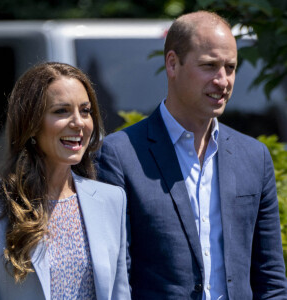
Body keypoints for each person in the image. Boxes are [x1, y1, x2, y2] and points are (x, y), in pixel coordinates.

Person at [96, 11, 287, 299]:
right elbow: (114, 278)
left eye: (230, 67)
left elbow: (270, 278)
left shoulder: (254, 156)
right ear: (172, 63)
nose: (223, 81)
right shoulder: (120, 154)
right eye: (209, 66)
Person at [0, 62, 130, 300]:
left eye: (85, 111)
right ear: (31, 123)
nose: (78, 123)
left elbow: (119, 294)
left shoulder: (111, 200)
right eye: (61, 111)